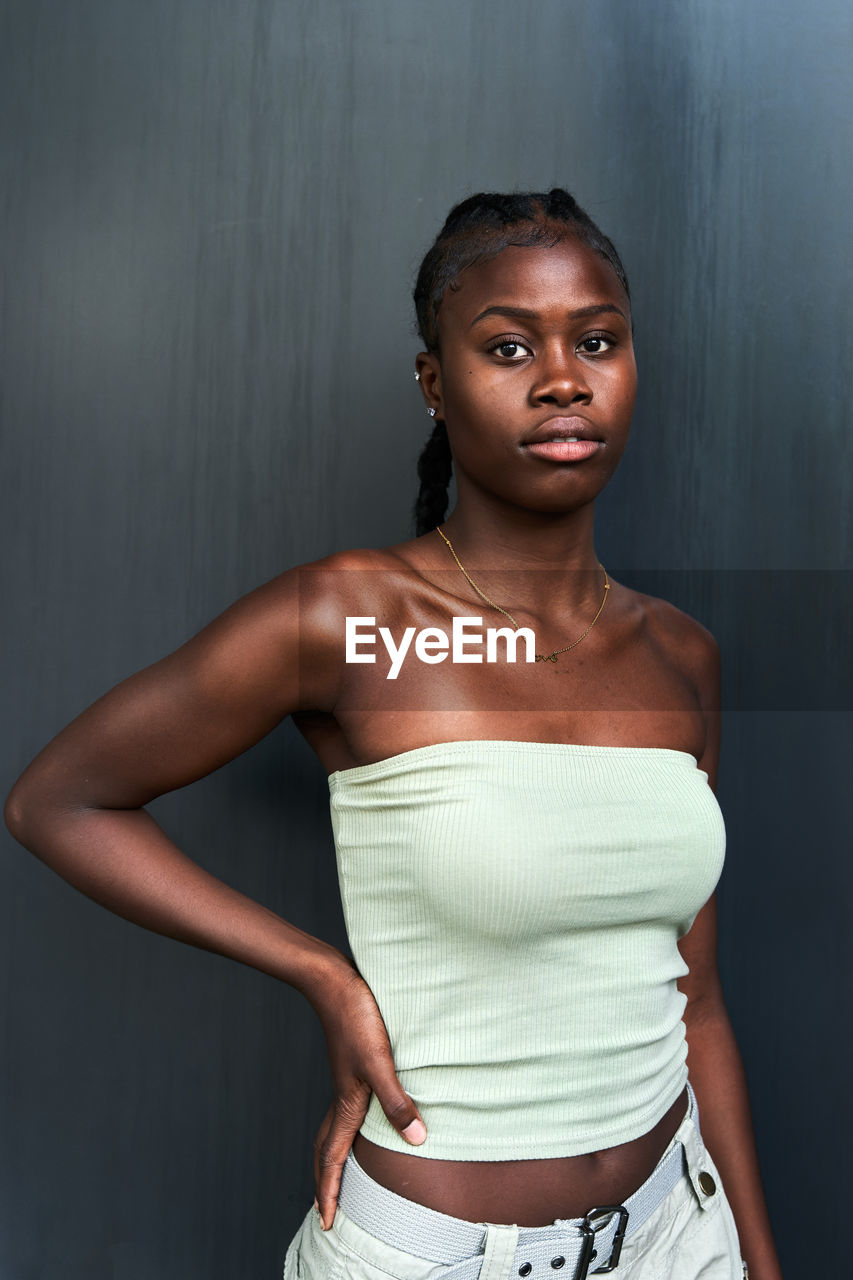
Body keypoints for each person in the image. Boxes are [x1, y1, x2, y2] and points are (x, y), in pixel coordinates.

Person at [4, 189, 782, 1280]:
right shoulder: (351, 619)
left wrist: (751, 1251)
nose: (563, 377)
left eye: (596, 341)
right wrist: (322, 971)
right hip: (437, 1252)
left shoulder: (680, 654)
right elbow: (56, 801)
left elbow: (694, 997)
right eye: (508, 346)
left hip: (675, 1229)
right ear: (433, 382)